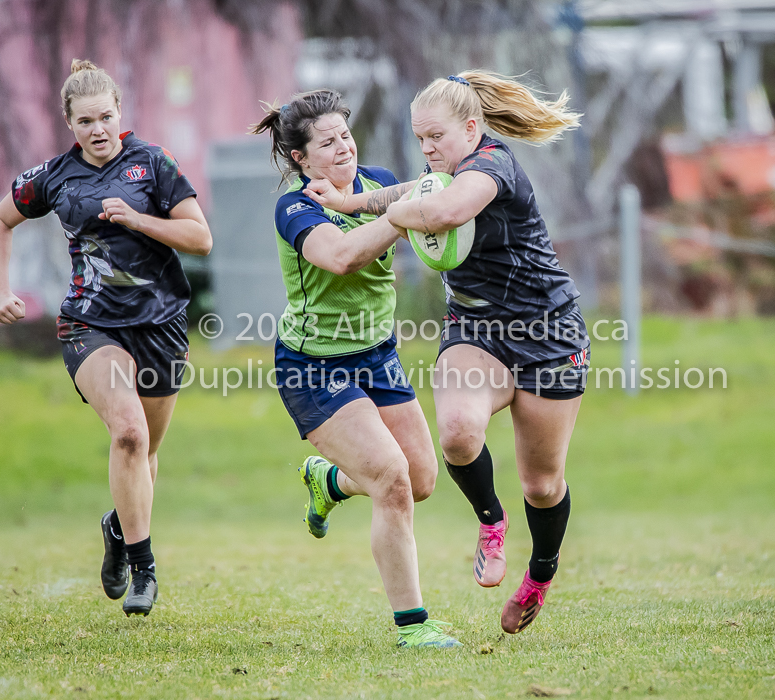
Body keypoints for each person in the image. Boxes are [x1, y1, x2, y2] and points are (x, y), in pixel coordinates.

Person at [306, 72, 590, 635]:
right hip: (477, 330)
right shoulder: (442, 171)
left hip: (549, 334)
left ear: (471, 127)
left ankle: (539, 576)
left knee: (543, 483)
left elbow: (440, 212)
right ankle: (491, 522)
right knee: (458, 433)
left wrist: (386, 213)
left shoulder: (491, 167)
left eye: (436, 137)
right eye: (420, 139)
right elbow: (413, 194)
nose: (428, 149)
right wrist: (349, 200)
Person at [0, 59, 212, 617]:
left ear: (120, 112)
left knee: (148, 453)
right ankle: (144, 569)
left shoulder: (154, 164)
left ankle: (118, 525)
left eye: (106, 116)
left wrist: (139, 221)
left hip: (160, 325)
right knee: (130, 435)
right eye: (85, 121)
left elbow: (200, 238)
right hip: (90, 323)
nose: (98, 129)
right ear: (70, 123)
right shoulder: (54, 176)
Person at [251, 89, 460, 649]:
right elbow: (342, 258)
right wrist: (405, 215)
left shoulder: (376, 182)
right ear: (301, 158)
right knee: (391, 480)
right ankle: (413, 627)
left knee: (420, 479)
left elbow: (432, 193)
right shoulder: (295, 206)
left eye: (345, 135)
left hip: (378, 356)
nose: (342, 147)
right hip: (313, 367)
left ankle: (330, 481)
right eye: (327, 142)